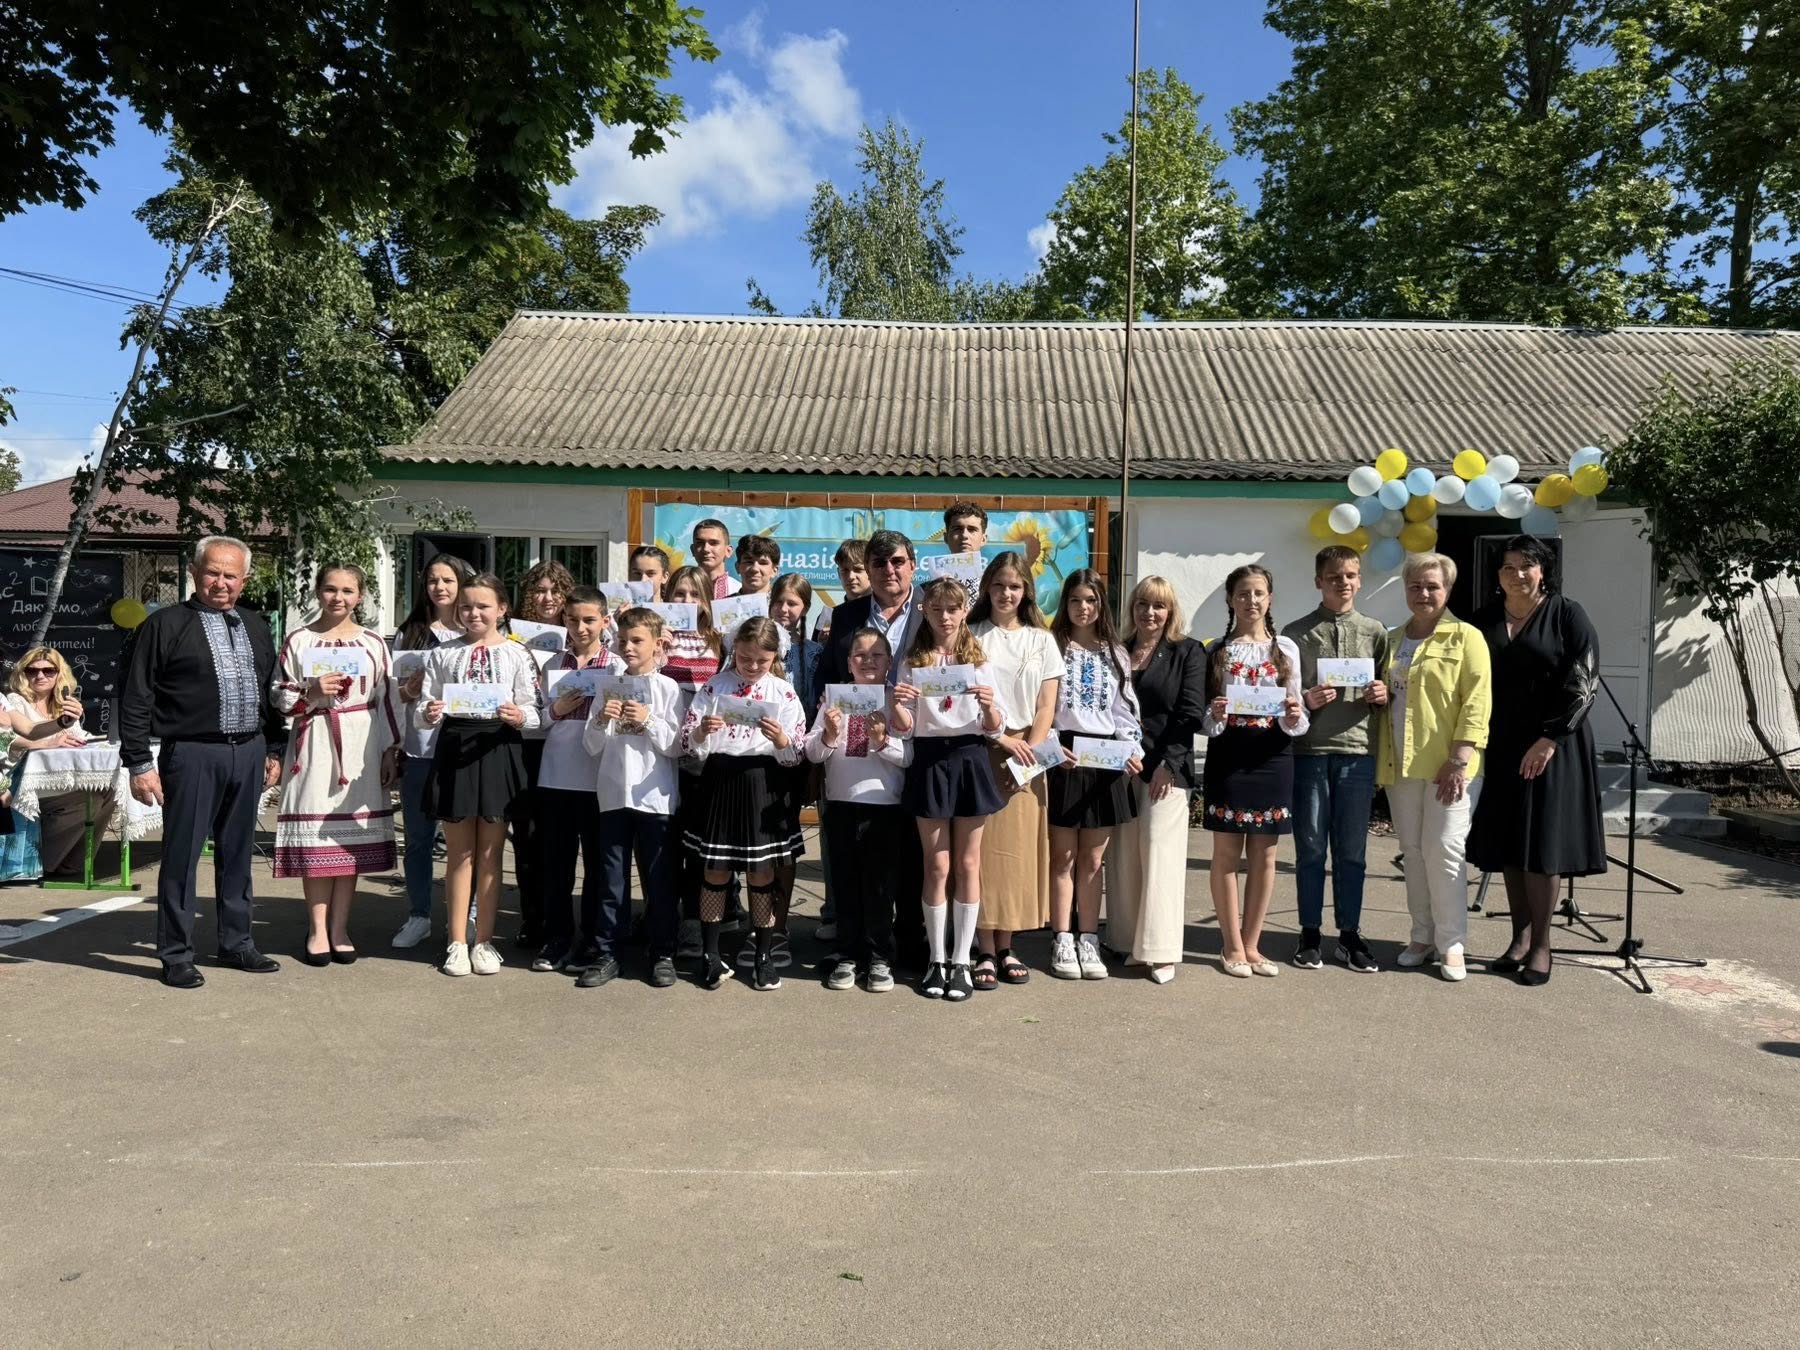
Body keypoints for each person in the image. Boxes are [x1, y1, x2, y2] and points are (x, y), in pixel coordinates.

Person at [123, 536, 286, 989]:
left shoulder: (256, 625)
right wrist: (138, 762)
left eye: (231, 575)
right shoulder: (164, 625)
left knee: (238, 854)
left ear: (244, 580)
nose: (221, 582)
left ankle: (237, 943)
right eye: (212, 572)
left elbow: (272, 691)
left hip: (249, 751)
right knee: (182, 857)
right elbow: (136, 695)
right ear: (194, 572)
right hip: (192, 753)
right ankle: (176, 954)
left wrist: (275, 748)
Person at [1468, 535, 1605, 986]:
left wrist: (1550, 738)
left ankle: (1543, 946)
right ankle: (1520, 938)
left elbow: (1585, 681)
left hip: (1553, 745)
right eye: (1508, 567)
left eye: (1526, 566)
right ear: (1498, 574)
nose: (1517, 574)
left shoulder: (1567, 614)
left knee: (1541, 846)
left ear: (1543, 571)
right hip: (1502, 742)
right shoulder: (1484, 618)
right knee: (1512, 844)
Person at [270, 565, 403, 965]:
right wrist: (309, 691)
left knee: (348, 843)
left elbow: (388, 699)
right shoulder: (299, 640)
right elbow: (278, 693)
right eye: (330, 589)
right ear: (318, 592)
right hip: (315, 741)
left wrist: (390, 750)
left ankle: (340, 928)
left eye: (347, 590)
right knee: (317, 841)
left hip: (362, 742)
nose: (338, 598)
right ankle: (316, 930)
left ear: (359, 596)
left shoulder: (373, 642)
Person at [416, 573, 543, 977]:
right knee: (459, 853)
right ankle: (456, 942)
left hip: (499, 748)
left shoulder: (518, 654)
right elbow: (422, 708)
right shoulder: (442, 653)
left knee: (490, 852)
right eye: (466, 606)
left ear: (502, 609)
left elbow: (535, 710)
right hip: (455, 748)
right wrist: (429, 712)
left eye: (483, 606)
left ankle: (484, 941)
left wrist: (520, 716)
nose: (474, 613)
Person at [1375, 552, 1491, 984]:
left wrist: (1459, 759)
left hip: (1449, 764)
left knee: (1444, 848)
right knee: (1414, 852)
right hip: (1401, 763)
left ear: (1448, 590)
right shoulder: (1390, 639)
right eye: (1415, 586)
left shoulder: (1466, 637)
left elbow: (1477, 701)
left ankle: (1452, 942)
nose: (1423, 593)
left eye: (1432, 586)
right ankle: (1421, 936)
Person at [817, 529, 928, 970]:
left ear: (912, 566)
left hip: (922, 740)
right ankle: (859, 942)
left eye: (897, 561)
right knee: (863, 854)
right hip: (861, 752)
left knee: (912, 855)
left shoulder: (931, 610)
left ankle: (910, 942)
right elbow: (827, 674)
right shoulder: (845, 615)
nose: (889, 570)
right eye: (879, 563)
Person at [679, 616, 807, 991]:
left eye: (761, 661)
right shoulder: (715, 686)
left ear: (775, 657)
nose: (751, 666)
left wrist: (781, 740)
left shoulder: (783, 692)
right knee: (715, 870)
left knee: (761, 873)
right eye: (745, 657)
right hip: (720, 780)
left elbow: (796, 754)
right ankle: (710, 955)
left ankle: (763, 955)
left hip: (763, 783)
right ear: (734, 649)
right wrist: (701, 732)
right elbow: (688, 741)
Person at [892, 576, 1004, 1001]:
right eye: (936, 608)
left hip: (970, 757)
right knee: (937, 866)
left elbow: (995, 727)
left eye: (953, 609)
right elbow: (906, 728)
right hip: (930, 760)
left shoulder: (979, 660)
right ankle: (936, 960)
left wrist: (989, 706)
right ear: (924, 611)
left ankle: (962, 961)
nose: (945, 617)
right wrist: (898, 705)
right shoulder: (913, 660)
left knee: (968, 864)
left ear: (964, 611)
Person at [1282, 546, 1391, 973]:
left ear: (1359, 580)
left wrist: (1381, 694)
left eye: (1349, 575)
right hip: (1309, 751)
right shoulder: (1295, 633)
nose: (1342, 583)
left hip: (1358, 752)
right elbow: (1286, 696)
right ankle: (1309, 932)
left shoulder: (1375, 631)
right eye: (1333, 576)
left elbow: (1387, 689)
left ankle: (1349, 934)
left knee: (1352, 851)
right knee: (1310, 849)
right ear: (1318, 582)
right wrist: (1305, 701)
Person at [1201, 564, 1308, 978]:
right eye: (1243, 593)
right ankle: (1230, 945)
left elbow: (1296, 712)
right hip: (1229, 756)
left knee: (1265, 856)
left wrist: (1295, 715)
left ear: (1270, 598)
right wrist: (1214, 715)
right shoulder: (1217, 650)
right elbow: (1204, 719)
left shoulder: (1286, 649)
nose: (1251, 600)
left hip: (1273, 757)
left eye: (1258, 593)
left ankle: (1252, 944)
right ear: (1230, 599)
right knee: (1227, 854)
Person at [1045, 568, 1143, 981]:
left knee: (1092, 859)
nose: (1083, 608)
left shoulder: (1116, 653)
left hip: (1105, 759)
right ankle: (1061, 938)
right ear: (1064, 604)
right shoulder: (1051, 646)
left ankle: (1088, 937)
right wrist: (1052, 748)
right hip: (1064, 756)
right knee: (1063, 857)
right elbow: (1041, 707)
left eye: (1091, 600)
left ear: (1101, 605)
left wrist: (1132, 751)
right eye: (1075, 600)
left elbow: (1124, 711)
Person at [1108, 576, 1207, 983]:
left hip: (1167, 769)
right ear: (1132, 607)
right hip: (1121, 767)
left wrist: (1168, 762)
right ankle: (1128, 941)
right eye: (1142, 604)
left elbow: (1191, 712)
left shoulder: (1188, 651)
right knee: (1124, 856)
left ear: (1170, 611)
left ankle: (1161, 950)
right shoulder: (1118, 651)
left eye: (1159, 606)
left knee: (1159, 855)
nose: (1150, 613)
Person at [968, 552, 1060, 988]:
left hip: (1027, 753)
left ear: (1026, 592)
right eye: (1000, 585)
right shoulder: (971, 635)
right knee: (981, 852)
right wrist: (1002, 740)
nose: (1007, 593)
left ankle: (1006, 945)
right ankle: (984, 948)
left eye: (1015, 586)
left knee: (1016, 853)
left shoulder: (1042, 640)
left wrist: (1030, 752)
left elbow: (1046, 705)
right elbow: (965, 698)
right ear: (987, 587)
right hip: (982, 748)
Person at [804, 628, 911, 991]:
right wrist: (829, 734)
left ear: (889, 662)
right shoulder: (834, 699)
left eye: (877, 655)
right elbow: (812, 752)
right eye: (860, 655)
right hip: (841, 803)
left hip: (883, 805)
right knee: (845, 883)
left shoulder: (897, 699)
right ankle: (847, 953)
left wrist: (882, 742)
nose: (868, 661)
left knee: (880, 886)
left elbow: (910, 756)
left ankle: (879, 956)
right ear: (849, 663)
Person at [585, 606, 684, 988]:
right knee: (612, 880)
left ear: (657, 644)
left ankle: (662, 952)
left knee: (659, 879)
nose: (628, 647)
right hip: (613, 793)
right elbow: (591, 746)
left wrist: (648, 719)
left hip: (655, 796)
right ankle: (608, 952)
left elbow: (676, 746)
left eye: (637, 641)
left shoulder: (668, 688)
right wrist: (600, 720)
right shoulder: (607, 686)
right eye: (623, 640)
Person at [530, 586, 621, 976]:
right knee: (557, 865)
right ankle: (557, 938)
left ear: (604, 621)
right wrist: (557, 708)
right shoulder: (552, 664)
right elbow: (536, 719)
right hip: (556, 776)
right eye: (572, 620)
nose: (580, 628)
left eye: (589, 620)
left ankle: (591, 941)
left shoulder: (617, 666)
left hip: (601, 777)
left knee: (599, 866)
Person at [391, 552, 473, 948]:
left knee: (466, 841)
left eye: (447, 580)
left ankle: (468, 915)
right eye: (432, 581)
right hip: (420, 750)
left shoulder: (475, 630)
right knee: (419, 839)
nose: (439, 587)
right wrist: (408, 690)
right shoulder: (410, 633)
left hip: (465, 749)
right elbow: (394, 696)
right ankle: (419, 914)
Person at [661, 566, 726, 958]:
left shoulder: (719, 639)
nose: (685, 602)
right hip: (662, 751)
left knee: (698, 844)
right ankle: (662, 917)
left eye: (693, 594)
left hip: (704, 754)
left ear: (706, 600)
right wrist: (660, 648)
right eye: (678, 594)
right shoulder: (659, 636)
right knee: (664, 841)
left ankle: (694, 923)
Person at [509, 559, 574, 949]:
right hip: (525, 746)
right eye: (539, 590)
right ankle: (532, 919)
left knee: (562, 840)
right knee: (528, 838)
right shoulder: (513, 638)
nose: (548, 598)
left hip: (567, 745)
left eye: (556, 590)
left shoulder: (578, 634)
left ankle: (562, 920)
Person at [763, 571, 822, 968]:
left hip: (794, 760)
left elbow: (815, 711)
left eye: (793, 603)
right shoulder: (751, 645)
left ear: (805, 608)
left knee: (784, 847)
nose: (784, 609)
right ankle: (757, 924)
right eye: (779, 601)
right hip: (751, 760)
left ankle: (779, 925)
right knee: (755, 848)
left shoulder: (813, 653)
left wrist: (813, 768)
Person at [1, 647, 93, 883]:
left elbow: (29, 730)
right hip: (15, 775)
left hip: (26, 776)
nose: (40, 676)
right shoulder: (14, 699)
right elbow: (13, 739)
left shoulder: (2, 701)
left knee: (100, 791)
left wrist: (63, 722)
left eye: (48, 670)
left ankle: (63, 862)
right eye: (32, 671)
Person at [812, 538, 869, 644]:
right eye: (845, 570)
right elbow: (814, 652)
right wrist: (822, 646)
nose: (851, 576)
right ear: (838, 573)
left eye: (858, 569)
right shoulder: (829, 617)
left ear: (871, 571)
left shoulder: (883, 613)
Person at [690, 519, 740, 600]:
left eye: (713, 543)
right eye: (700, 543)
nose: (706, 549)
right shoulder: (679, 590)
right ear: (692, 550)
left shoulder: (739, 591)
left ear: (728, 551)